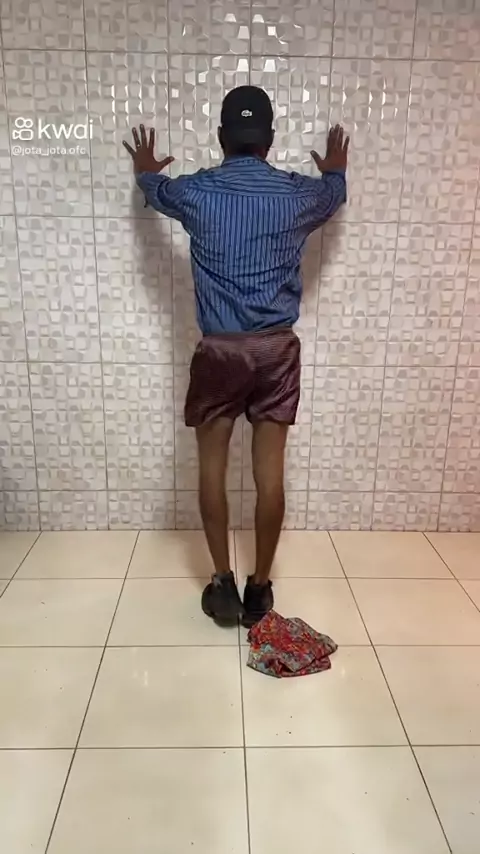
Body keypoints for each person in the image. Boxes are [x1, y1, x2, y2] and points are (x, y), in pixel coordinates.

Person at [123, 85, 348, 628]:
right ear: (269, 140)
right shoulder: (299, 195)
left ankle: (222, 585)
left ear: (222, 137)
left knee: (212, 469)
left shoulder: (196, 192)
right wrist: (336, 170)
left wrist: (146, 171)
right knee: (271, 477)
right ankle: (260, 589)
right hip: (276, 351)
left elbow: (157, 190)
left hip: (220, 353)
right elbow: (332, 194)